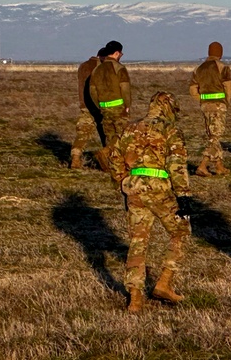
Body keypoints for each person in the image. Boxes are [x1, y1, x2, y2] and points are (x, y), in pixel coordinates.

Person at [109, 91, 191, 313]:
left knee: (138, 242)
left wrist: (123, 182)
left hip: (134, 189)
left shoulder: (130, 129)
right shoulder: (170, 130)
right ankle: (164, 283)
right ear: (168, 109)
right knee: (181, 231)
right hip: (159, 188)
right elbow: (176, 164)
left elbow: (114, 157)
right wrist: (183, 195)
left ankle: (135, 298)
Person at [188, 41, 231, 177]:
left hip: (205, 106)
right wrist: (227, 101)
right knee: (215, 136)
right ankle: (203, 165)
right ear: (220, 53)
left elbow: (192, 89)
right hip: (218, 105)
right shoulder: (222, 67)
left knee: (213, 134)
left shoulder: (199, 69)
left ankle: (219, 166)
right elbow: (228, 86)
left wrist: (201, 100)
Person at [88, 40, 131, 170]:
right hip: (119, 107)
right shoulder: (120, 68)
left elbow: (92, 90)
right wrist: (127, 105)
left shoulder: (97, 69)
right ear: (117, 53)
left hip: (104, 107)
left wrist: (99, 105)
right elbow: (125, 88)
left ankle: (109, 164)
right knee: (122, 135)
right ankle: (114, 159)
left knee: (109, 135)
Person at [71, 46, 108, 171]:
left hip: (84, 106)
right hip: (99, 106)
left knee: (82, 134)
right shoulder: (101, 68)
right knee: (106, 133)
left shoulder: (83, 66)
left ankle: (76, 157)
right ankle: (108, 160)